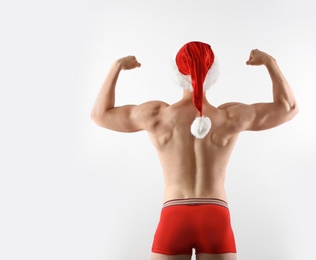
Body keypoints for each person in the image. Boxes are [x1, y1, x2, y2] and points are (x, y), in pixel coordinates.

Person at [91, 41, 298, 260]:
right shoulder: (230, 116)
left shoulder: (157, 115)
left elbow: (100, 115)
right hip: (215, 214)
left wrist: (117, 67)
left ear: (177, 72)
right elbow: (289, 107)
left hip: (174, 214)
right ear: (212, 73)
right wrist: (270, 63)